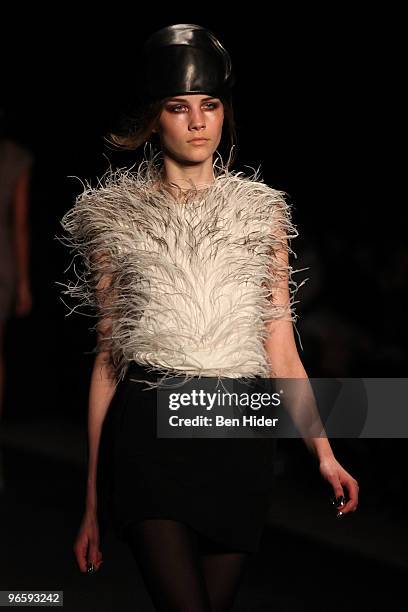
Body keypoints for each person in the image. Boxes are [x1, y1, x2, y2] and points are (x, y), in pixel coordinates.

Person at [58, 24, 359, 611]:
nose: (198, 121)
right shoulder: (113, 219)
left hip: (237, 437)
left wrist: (323, 453)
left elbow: (280, 346)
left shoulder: (262, 215)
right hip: (150, 434)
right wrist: (92, 498)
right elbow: (109, 359)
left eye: (210, 105)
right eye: (179, 107)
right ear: (155, 118)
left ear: (223, 115)